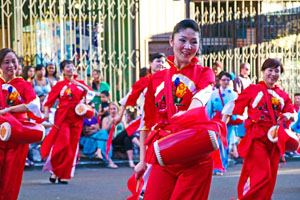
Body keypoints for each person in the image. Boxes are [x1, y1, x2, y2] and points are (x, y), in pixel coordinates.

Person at [135, 19, 215, 200]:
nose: (188, 46)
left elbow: (202, 96)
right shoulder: (155, 79)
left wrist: (187, 115)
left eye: (194, 42)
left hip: (194, 153)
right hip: (165, 151)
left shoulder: (204, 73)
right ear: (171, 41)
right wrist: (142, 161)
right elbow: (146, 121)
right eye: (183, 40)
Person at [222, 58, 297, 199]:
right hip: (256, 137)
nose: (273, 74)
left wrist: (288, 115)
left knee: (271, 177)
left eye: (277, 71)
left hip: (274, 139)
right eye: (270, 70)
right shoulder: (252, 89)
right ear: (262, 71)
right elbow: (233, 106)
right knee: (263, 174)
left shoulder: (283, 95)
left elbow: (293, 114)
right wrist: (221, 126)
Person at [41, 60, 95, 184]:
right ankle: (54, 171)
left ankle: (62, 174)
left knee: (72, 147)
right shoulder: (59, 85)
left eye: (72, 66)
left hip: (77, 118)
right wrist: (46, 114)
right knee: (62, 144)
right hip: (63, 118)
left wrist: (76, 83)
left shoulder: (80, 84)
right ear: (63, 70)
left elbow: (91, 94)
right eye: (67, 67)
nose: (70, 68)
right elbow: (49, 100)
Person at [0, 48, 42, 200]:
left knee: (11, 177)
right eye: (6, 62)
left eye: (13, 61)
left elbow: (34, 105)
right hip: (0, 134)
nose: (11, 65)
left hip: (18, 135)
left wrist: (9, 110)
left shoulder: (24, 86)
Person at [206, 72, 238, 174]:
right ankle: (214, 165)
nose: (226, 82)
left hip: (227, 122)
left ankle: (221, 166)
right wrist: (207, 120)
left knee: (224, 143)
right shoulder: (213, 93)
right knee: (214, 143)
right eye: (223, 80)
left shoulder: (234, 94)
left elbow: (236, 109)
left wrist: (232, 117)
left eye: (228, 80)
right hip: (215, 120)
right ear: (219, 81)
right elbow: (209, 108)